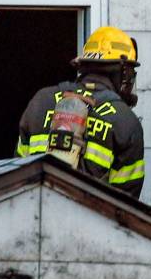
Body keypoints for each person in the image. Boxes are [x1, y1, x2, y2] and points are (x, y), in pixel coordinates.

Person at [16, 26, 144, 197]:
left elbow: (18, 170)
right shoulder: (125, 120)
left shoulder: (41, 101)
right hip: (90, 220)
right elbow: (127, 201)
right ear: (123, 72)